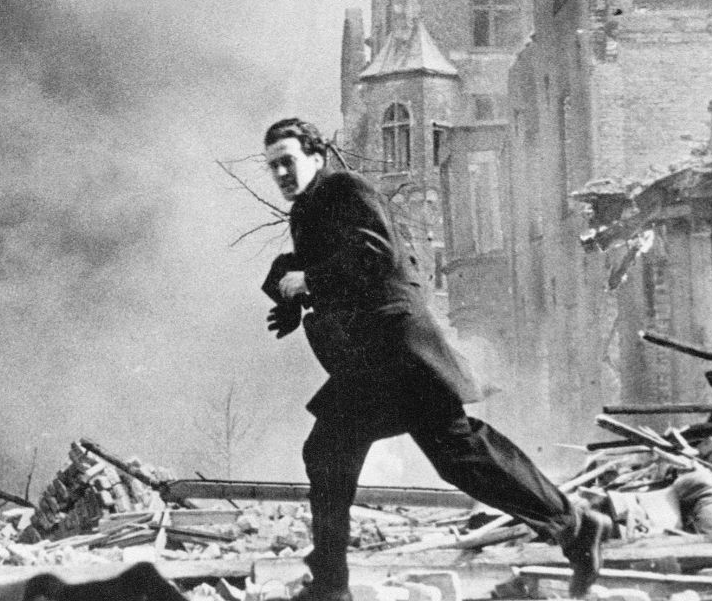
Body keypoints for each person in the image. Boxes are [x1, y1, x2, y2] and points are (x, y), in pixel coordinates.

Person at [258, 117, 606, 600]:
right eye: (273, 166)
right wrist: (297, 301)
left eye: (288, 161)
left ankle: (575, 523)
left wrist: (311, 281)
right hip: (373, 356)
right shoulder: (310, 209)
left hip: (395, 348)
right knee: (372, 450)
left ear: (316, 156)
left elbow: (374, 254)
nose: (280, 174)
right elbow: (341, 270)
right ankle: (331, 583)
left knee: (441, 452)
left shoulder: (344, 187)